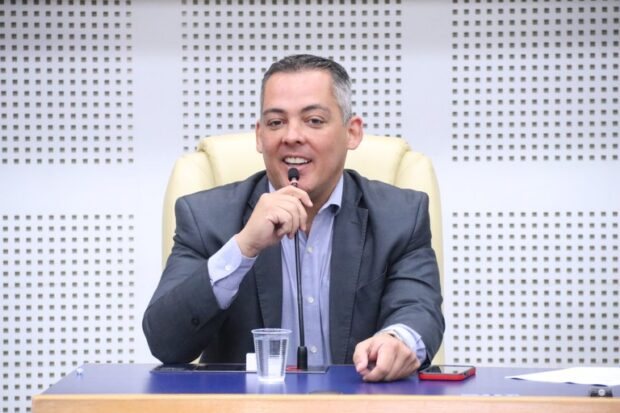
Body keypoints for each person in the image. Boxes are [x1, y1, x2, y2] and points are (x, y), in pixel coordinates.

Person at [143, 54, 444, 382]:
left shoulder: (400, 216)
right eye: (276, 123)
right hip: (247, 405)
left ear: (352, 132)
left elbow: (418, 309)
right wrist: (243, 248)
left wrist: (397, 340)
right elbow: (165, 342)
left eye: (314, 120)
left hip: (361, 401)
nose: (292, 136)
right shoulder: (206, 218)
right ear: (259, 136)